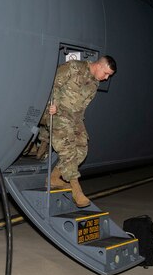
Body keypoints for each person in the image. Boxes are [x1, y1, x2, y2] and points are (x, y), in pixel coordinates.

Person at [43, 54, 116, 207]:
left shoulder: (94, 83)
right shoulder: (73, 67)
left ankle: (55, 177)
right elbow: (53, 83)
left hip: (75, 118)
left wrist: (78, 123)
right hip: (57, 112)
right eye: (106, 73)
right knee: (68, 149)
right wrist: (52, 104)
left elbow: (82, 105)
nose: (106, 78)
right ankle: (77, 190)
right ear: (99, 66)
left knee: (82, 149)